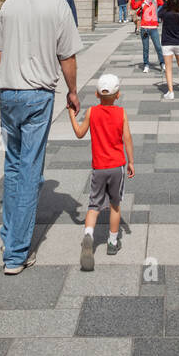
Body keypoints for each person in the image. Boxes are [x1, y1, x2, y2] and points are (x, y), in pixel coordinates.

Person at [0, 0, 83, 274]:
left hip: (9, 92)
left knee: (13, 164)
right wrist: (72, 92)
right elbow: (67, 56)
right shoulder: (58, 6)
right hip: (38, 94)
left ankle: (9, 234)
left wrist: (10, 75)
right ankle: (16, 253)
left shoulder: (11, 3)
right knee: (30, 169)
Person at [68, 72, 134, 269]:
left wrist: (72, 115)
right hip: (116, 167)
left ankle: (88, 235)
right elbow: (127, 139)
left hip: (99, 167)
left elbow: (80, 133)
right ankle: (112, 242)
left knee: (93, 205)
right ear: (118, 95)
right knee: (114, 205)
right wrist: (131, 161)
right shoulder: (121, 113)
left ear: (97, 95)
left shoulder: (91, 112)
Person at [139, 0, 165, 73]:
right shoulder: (143, 1)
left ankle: (162, 63)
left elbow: (162, 3)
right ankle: (146, 64)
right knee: (145, 48)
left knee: (158, 46)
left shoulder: (155, 0)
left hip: (153, 28)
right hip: (144, 28)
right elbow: (135, 6)